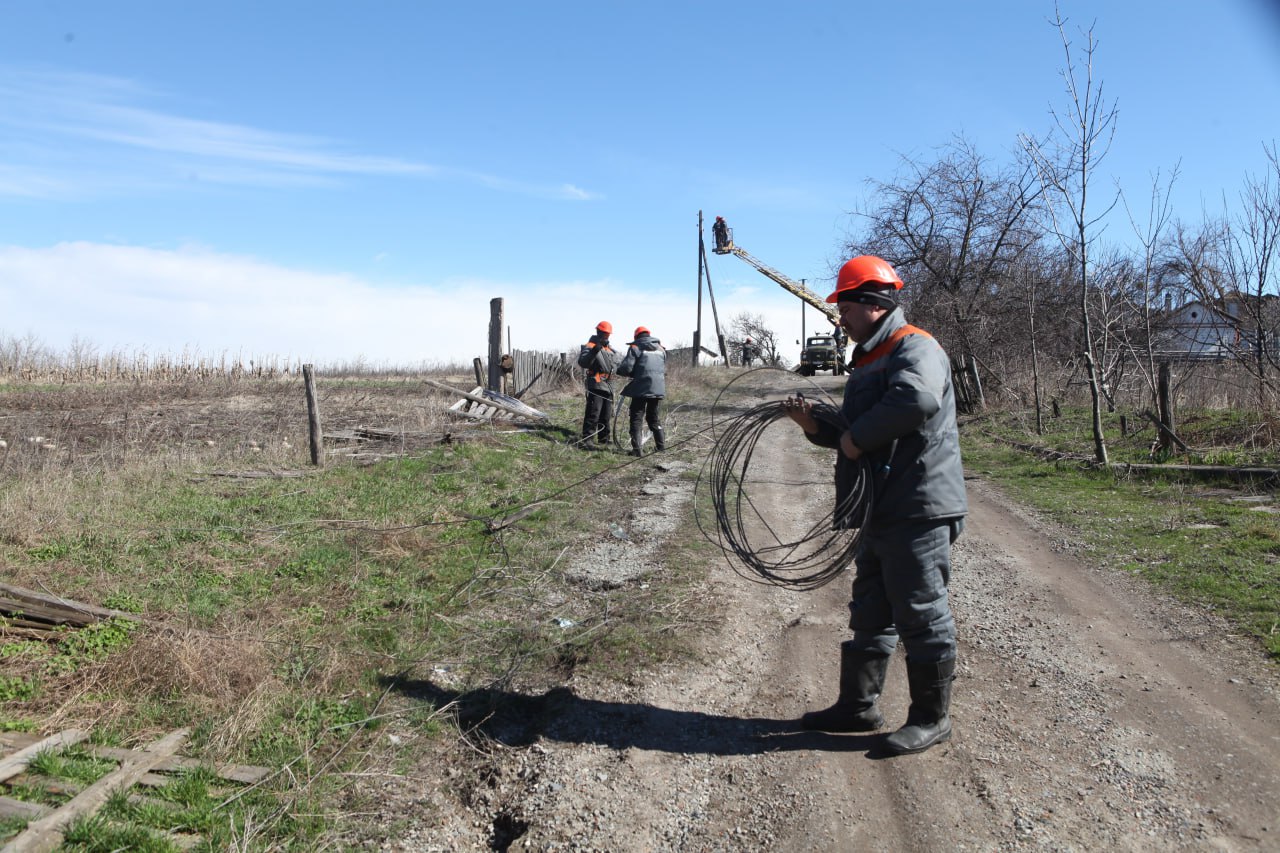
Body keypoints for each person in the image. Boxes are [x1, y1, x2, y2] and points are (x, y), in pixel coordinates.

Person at [782, 254, 967, 756]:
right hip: (882, 506)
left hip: (917, 505)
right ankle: (858, 706)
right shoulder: (869, 357)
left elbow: (915, 402)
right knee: (871, 608)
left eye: (843, 305)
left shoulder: (916, 348)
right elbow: (854, 434)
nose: (838, 316)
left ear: (870, 303)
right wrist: (815, 425)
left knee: (921, 610)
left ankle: (932, 718)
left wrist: (856, 438)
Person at [616, 326, 667, 457]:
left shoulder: (636, 347)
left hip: (641, 388)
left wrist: (621, 371)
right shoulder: (661, 349)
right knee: (653, 418)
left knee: (636, 418)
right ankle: (661, 447)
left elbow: (627, 368)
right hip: (657, 388)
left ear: (636, 337)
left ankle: (637, 450)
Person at [578, 321, 619, 447]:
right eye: (604, 334)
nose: (607, 336)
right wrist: (595, 350)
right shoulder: (590, 345)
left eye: (608, 334)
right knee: (593, 413)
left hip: (609, 385)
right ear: (598, 332)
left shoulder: (610, 349)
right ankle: (588, 439)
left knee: (606, 415)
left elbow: (615, 366)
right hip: (596, 383)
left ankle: (604, 439)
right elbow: (583, 362)